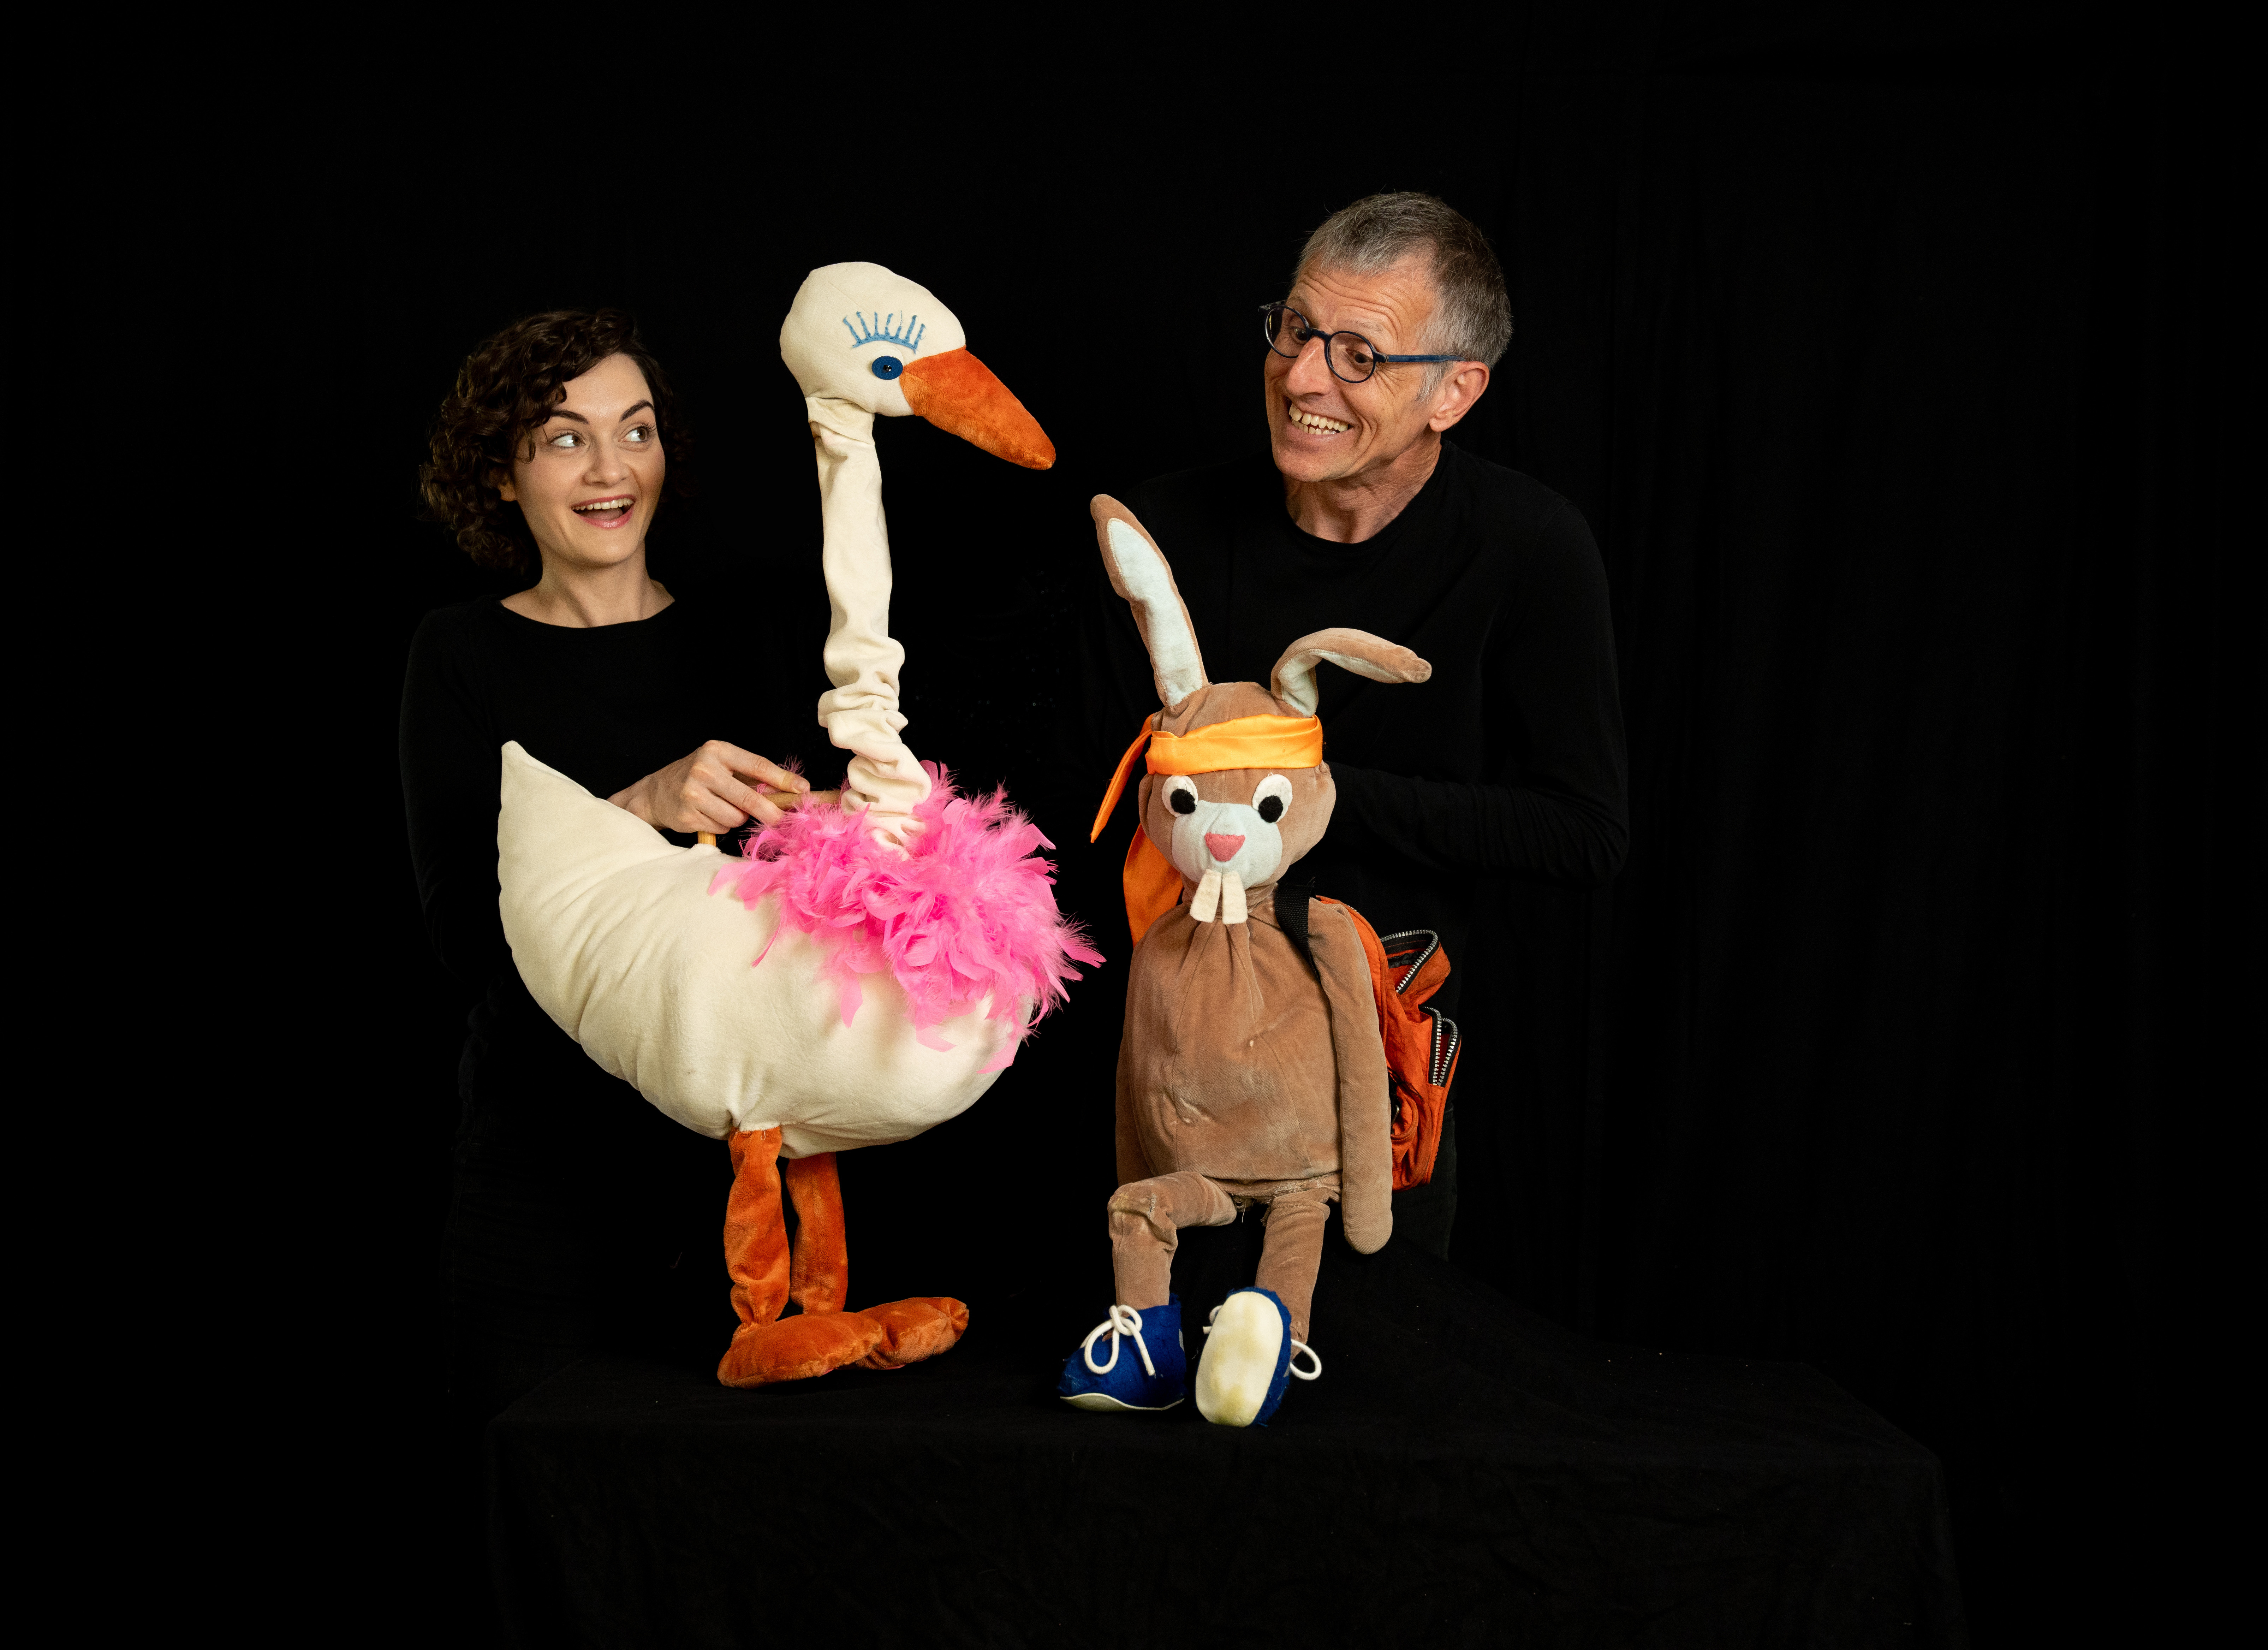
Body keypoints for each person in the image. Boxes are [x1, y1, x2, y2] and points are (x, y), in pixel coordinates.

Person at [1082, 193, 1629, 1257]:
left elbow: (1584, 833)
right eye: (1294, 329)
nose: (1301, 378)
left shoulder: (1529, 550)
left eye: (1360, 355)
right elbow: (1069, 799)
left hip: (1370, 1090)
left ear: (1454, 391)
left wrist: (1308, 798)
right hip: (1157, 1068)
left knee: (1362, 1348)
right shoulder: (1166, 529)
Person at [401, 310, 825, 1426]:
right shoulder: (461, 654)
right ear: (501, 475)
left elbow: (825, 893)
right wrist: (637, 808)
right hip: (541, 1162)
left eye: (636, 431)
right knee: (517, 1473)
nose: (611, 469)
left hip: (739, 1166)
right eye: (564, 439)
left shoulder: (758, 629)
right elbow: (465, 937)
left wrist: (839, 828)